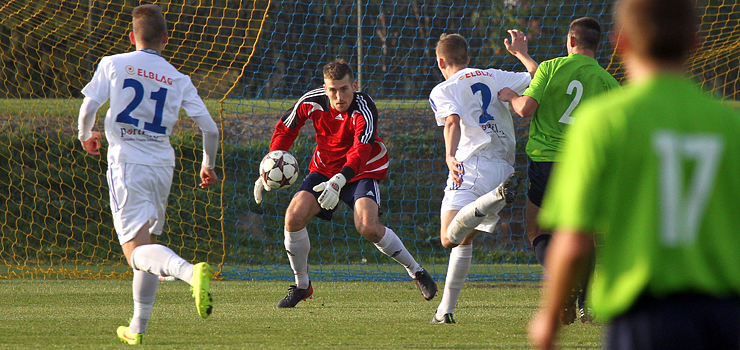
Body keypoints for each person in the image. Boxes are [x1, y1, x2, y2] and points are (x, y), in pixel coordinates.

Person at [529, 0, 740, 349]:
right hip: (725, 314)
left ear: (620, 42)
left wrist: (549, 320)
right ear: (695, 42)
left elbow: (573, 238)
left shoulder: (603, 122)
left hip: (644, 314)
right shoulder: (730, 126)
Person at [77, 4, 219, 345]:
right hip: (162, 166)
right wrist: (208, 165)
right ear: (166, 39)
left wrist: (86, 135)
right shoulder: (177, 77)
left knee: (134, 252)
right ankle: (137, 328)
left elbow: (89, 107)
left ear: (131, 36)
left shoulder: (113, 63)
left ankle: (189, 272)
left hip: (127, 164)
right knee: (148, 247)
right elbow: (210, 129)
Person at [253, 60, 437, 308]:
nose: (339, 96)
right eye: (332, 90)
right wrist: (268, 164)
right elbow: (286, 128)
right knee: (293, 218)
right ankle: (302, 286)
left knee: (367, 226)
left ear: (354, 86)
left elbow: (361, 151)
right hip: (323, 168)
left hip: (361, 169)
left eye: (344, 89)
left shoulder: (364, 107)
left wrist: (340, 181)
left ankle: (416, 271)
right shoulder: (311, 101)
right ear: (324, 88)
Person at [498, 17, 621, 324]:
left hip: (546, 163)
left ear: (570, 41)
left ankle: (564, 285)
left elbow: (526, 108)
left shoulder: (552, 68)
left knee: (539, 231)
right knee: (586, 235)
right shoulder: (607, 82)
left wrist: (512, 96)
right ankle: (588, 303)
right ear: (598, 44)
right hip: (585, 165)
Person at [427, 30, 537, 324]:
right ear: (468, 57)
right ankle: (445, 311)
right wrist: (521, 53)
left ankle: (485, 203)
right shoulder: (494, 75)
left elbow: (451, 121)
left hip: (471, 165)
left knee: (448, 238)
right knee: (465, 241)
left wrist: (450, 155)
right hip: (503, 168)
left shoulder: (443, 89)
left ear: (441, 61)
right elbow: (537, 76)